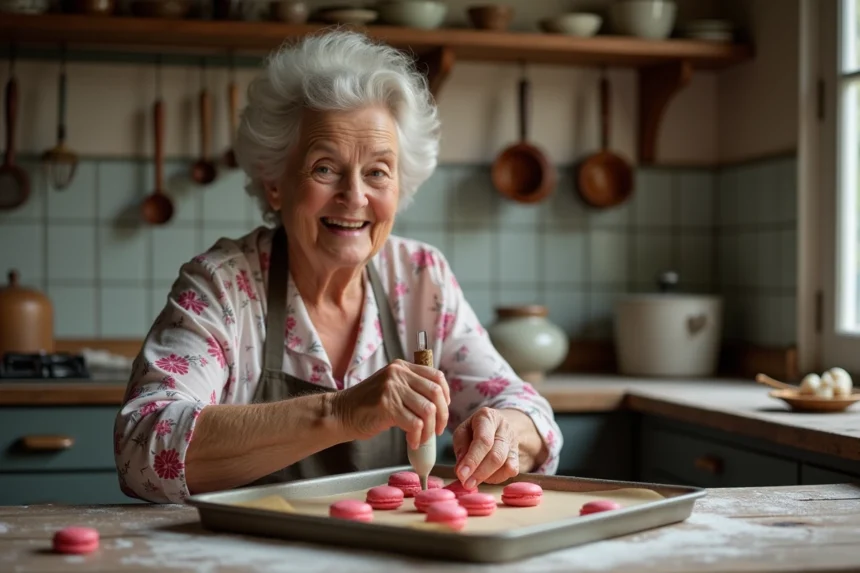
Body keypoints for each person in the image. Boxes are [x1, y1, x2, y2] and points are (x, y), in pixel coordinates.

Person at [114, 30, 563, 504]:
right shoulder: (222, 286)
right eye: (325, 168)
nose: (354, 196)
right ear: (274, 184)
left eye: (377, 172)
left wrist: (505, 433)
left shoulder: (420, 277)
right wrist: (341, 413)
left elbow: (529, 413)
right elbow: (142, 445)